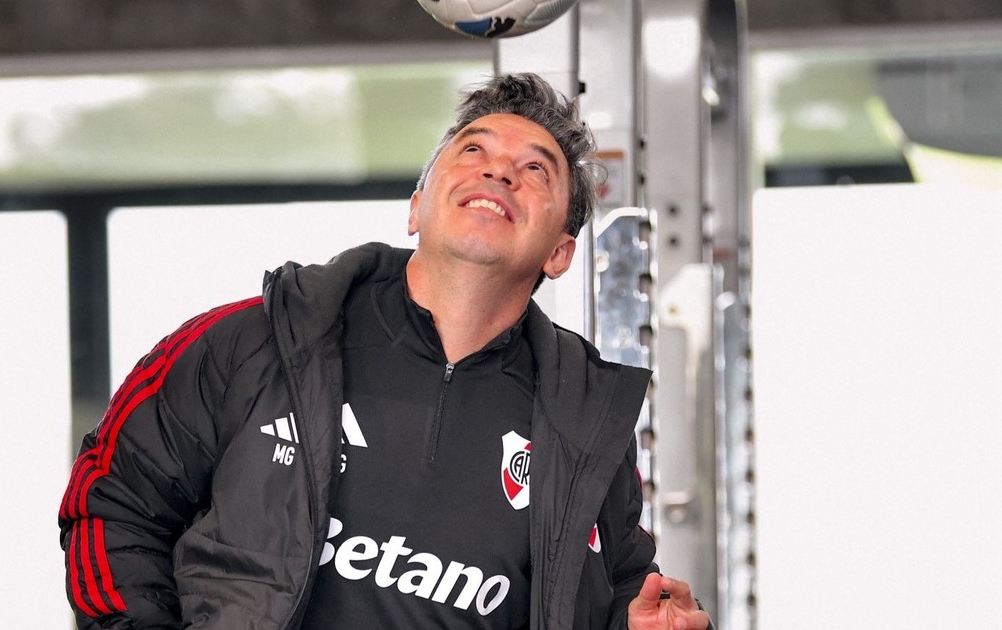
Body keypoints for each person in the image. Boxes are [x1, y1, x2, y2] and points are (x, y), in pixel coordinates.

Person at [59, 73, 710, 630]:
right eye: (473, 149)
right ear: (416, 206)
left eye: (536, 168)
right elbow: (113, 500)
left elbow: (616, 595)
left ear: (560, 253)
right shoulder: (253, 342)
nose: (498, 169)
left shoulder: (584, 427)